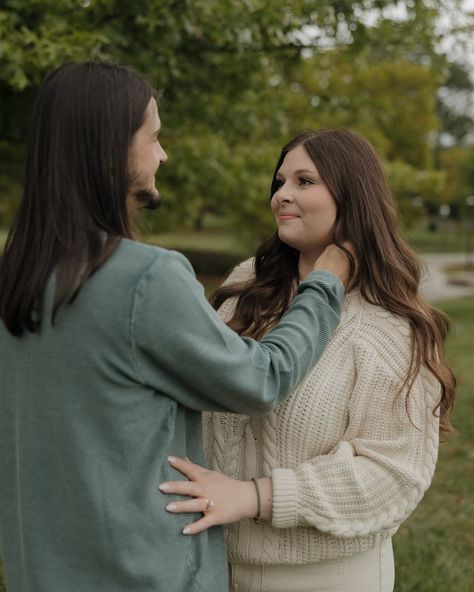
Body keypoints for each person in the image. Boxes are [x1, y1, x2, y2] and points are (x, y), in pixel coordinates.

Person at [0, 64, 352, 592]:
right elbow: (261, 380)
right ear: (112, 146)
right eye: (154, 137)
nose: (162, 154)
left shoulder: (17, 278)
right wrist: (324, 284)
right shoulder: (145, 278)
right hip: (140, 574)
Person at [159, 129, 456, 592]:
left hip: (326, 576)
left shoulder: (390, 321)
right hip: (216, 567)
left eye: (304, 181)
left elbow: (393, 475)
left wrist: (256, 496)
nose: (283, 195)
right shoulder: (247, 285)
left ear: (353, 197)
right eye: (280, 182)